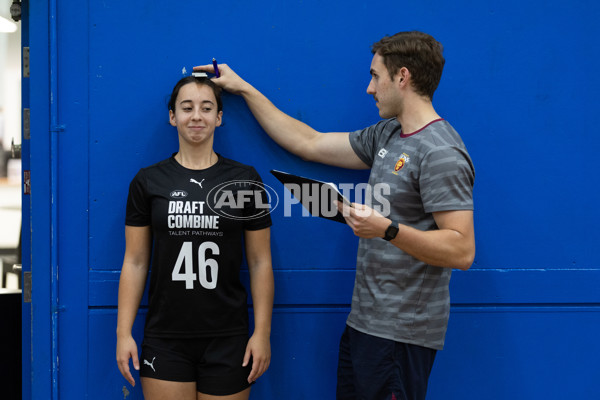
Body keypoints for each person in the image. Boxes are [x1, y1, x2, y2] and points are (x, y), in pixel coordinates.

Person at [195, 31, 475, 400]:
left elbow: (461, 251)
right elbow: (308, 142)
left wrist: (387, 230)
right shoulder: (388, 135)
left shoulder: (441, 152)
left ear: (402, 77)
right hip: (364, 325)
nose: (369, 88)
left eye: (376, 76)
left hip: (402, 336)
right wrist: (244, 89)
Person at [116, 76, 274, 400]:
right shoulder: (148, 181)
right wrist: (123, 332)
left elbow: (260, 262)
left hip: (228, 337)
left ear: (219, 117)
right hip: (165, 336)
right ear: (172, 116)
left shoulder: (245, 180)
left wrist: (262, 332)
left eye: (206, 108)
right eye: (186, 108)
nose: (196, 116)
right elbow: (135, 261)